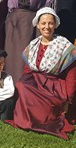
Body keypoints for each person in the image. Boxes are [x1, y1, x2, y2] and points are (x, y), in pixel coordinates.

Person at [6, 7, 76, 140]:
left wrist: (69, 100)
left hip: (54, 86)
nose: (47, 27)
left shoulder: (64, 46)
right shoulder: (33, 45)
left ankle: (45, 119)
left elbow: (72, 76)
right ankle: (29, 118)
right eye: (43, 23)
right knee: (22, 85)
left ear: (55, 24)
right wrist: (23, 84)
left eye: (50, 23)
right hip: (36, 83)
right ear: (37, 25)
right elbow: (27, 71)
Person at [4, 0, 56, 83]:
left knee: (28, 58)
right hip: (13, 25)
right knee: (12, 58)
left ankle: (28, 92)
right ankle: (11, 91)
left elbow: (50, 5)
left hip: (32, 25)